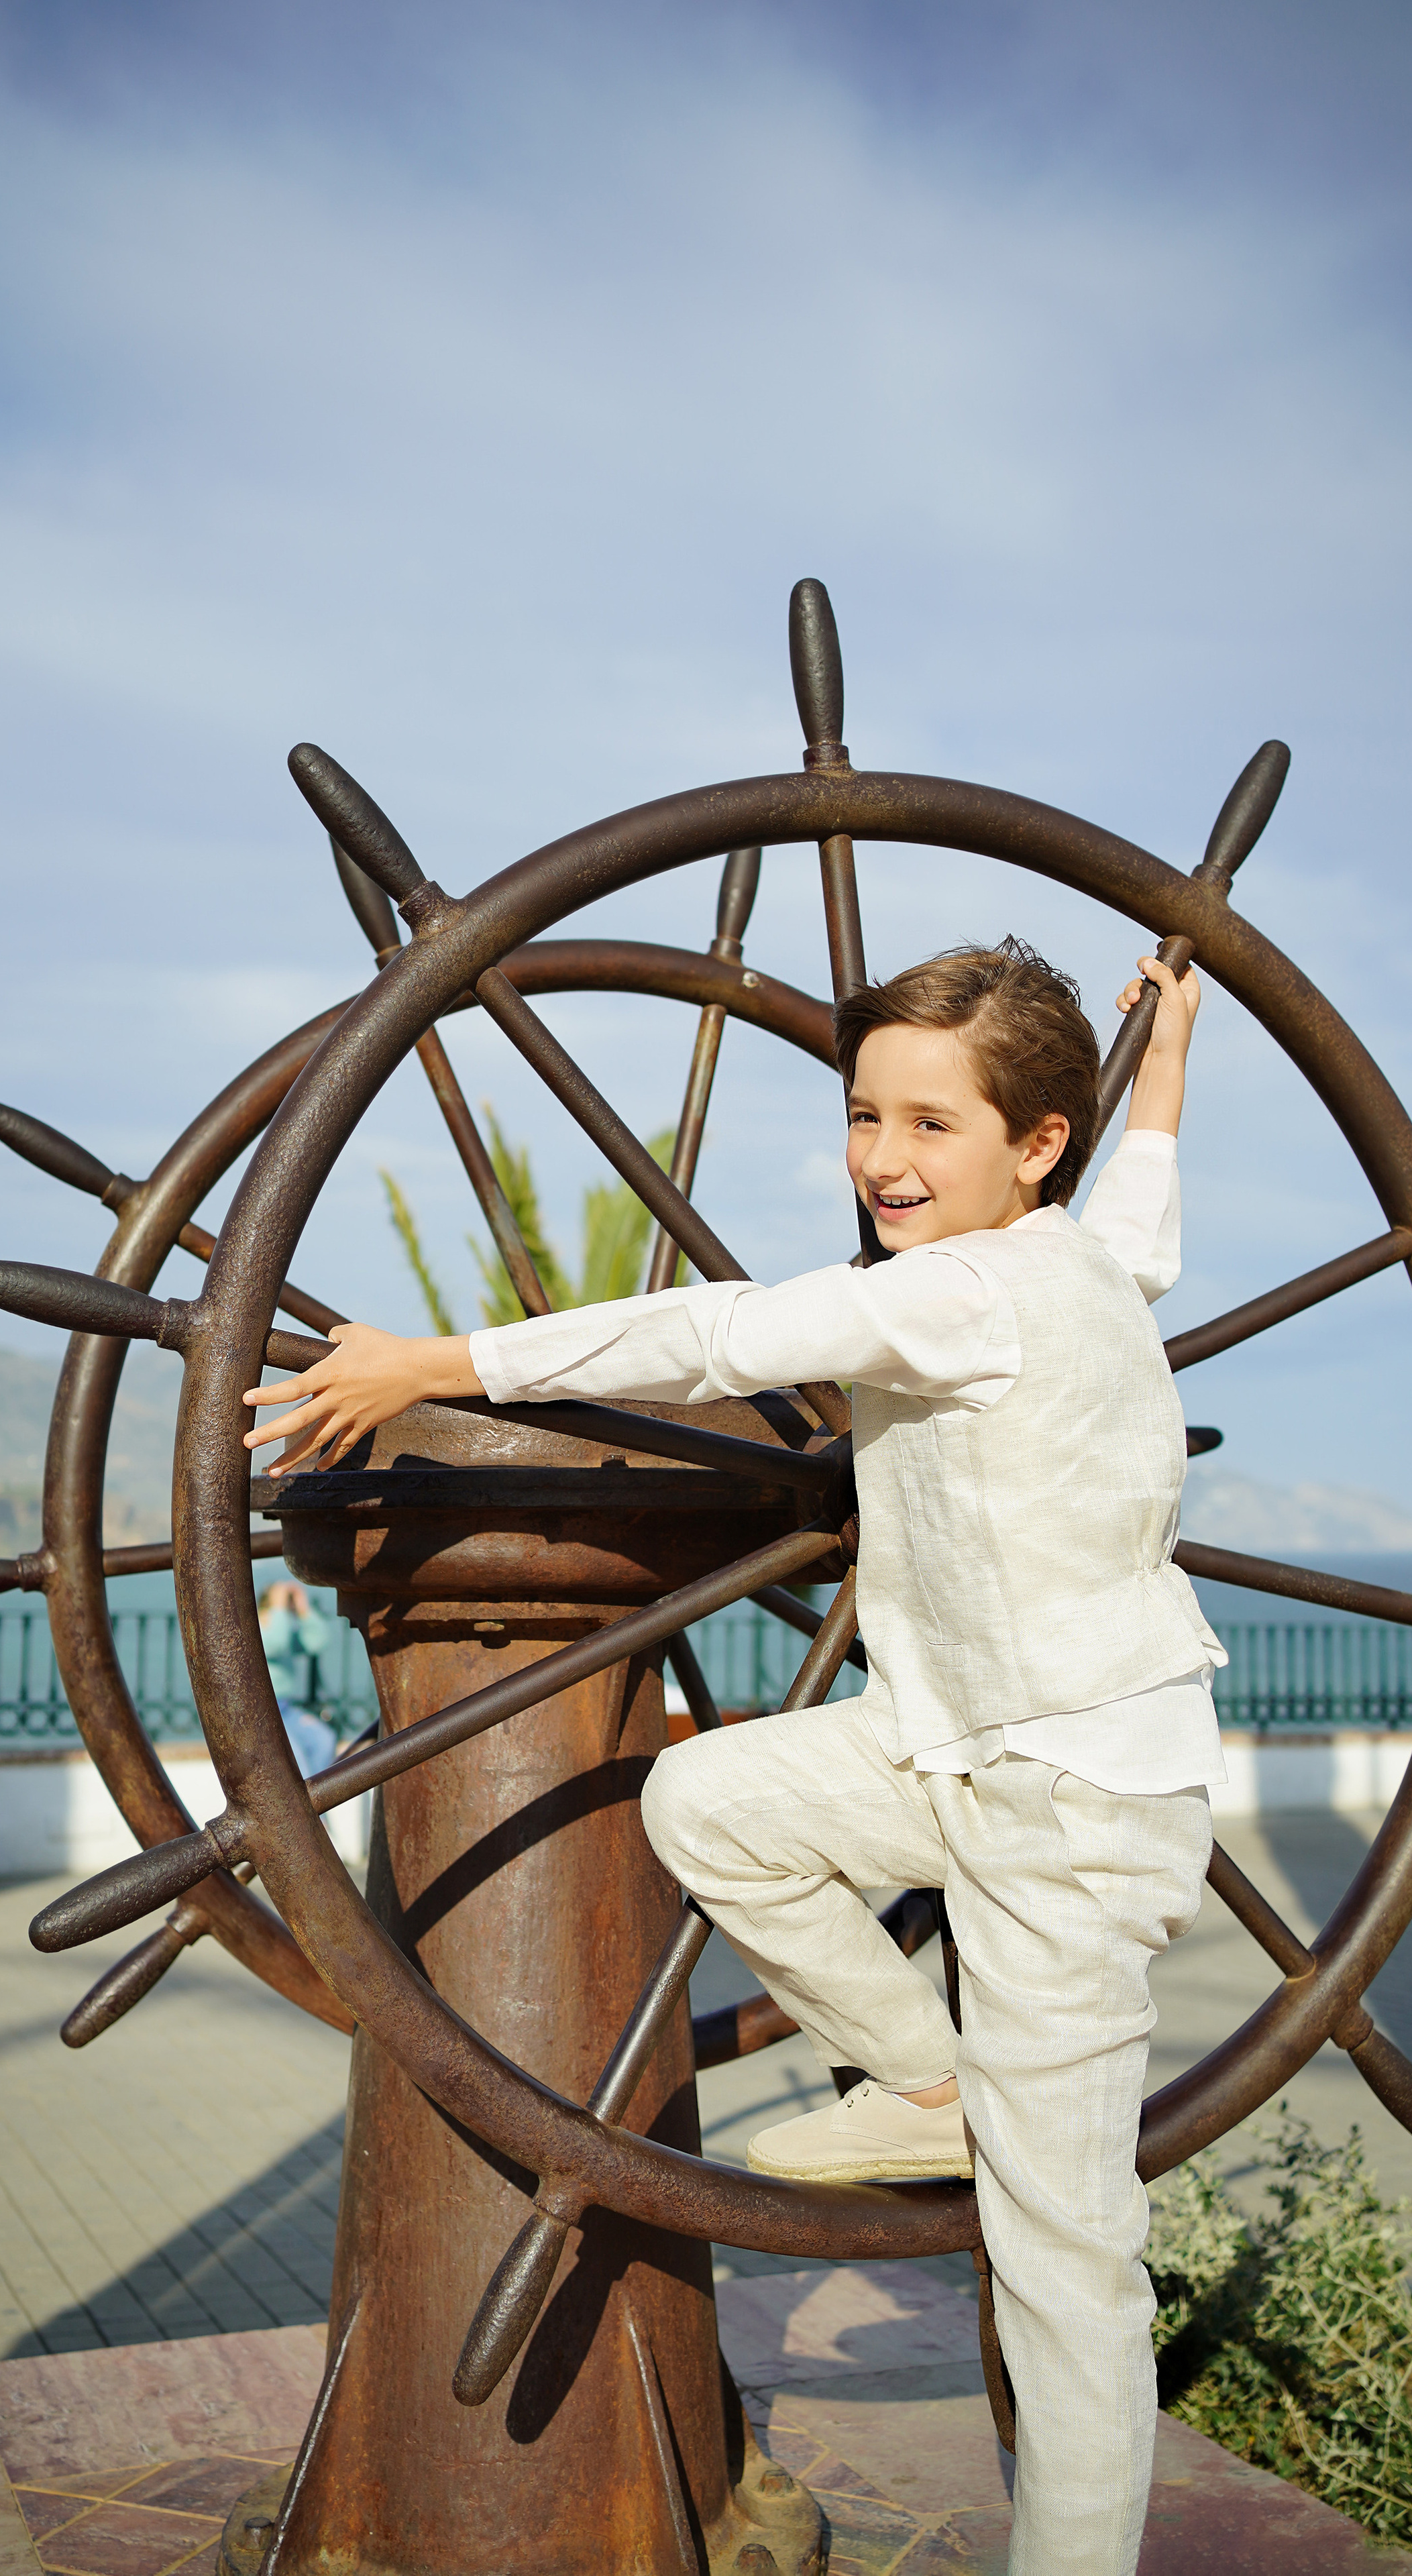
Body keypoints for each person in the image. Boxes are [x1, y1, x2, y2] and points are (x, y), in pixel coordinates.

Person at [241, 937, 1215, 2576]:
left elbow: (727, 1337)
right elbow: (1144, 1222)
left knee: (1064, 2263)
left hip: (1071, 1805)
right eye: (863, 1117)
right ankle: (920, 2080)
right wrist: (1165, 1059)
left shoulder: (961, 1290)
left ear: (1033, 1144)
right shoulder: (1079, 1255)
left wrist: (435, 1365)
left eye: (929, 1125)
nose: (884, 1162)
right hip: (949, 1749)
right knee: (708, 1795)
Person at [256, 1580, 338, 1778]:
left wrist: (304, 1610)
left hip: (285, 1709)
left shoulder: (281, 1630)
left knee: (323, 1740)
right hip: (262, 1713)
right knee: (297, 1761)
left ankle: (319, 1806)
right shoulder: (256, 1632)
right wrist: (278, 1606)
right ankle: (305, 1808)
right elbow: (276, 1644)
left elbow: (317, 1641)